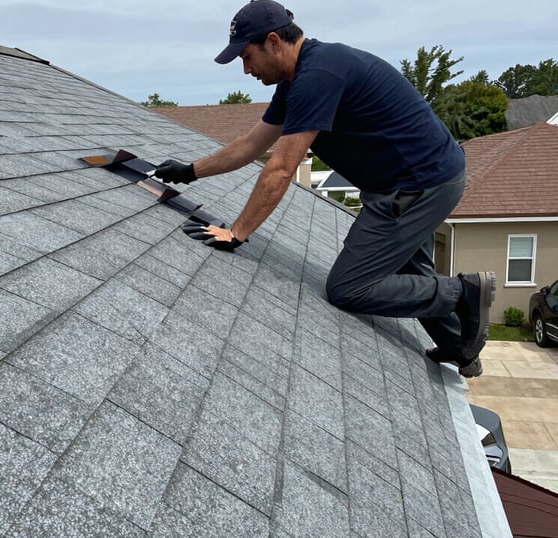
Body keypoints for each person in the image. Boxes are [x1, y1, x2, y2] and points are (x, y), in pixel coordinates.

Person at [154, 0, 495, 377]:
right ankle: (461, 346)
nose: (246, 69)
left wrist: (237, 233)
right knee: (407, 266)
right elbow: (250, 145)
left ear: (273, 42)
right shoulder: (298, 79)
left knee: (349, 287)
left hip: (420, 185)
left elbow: (281, 169)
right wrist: (190, 171)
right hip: (417, 179)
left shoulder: (318, 76)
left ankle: (464, 293)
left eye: (247, 57)